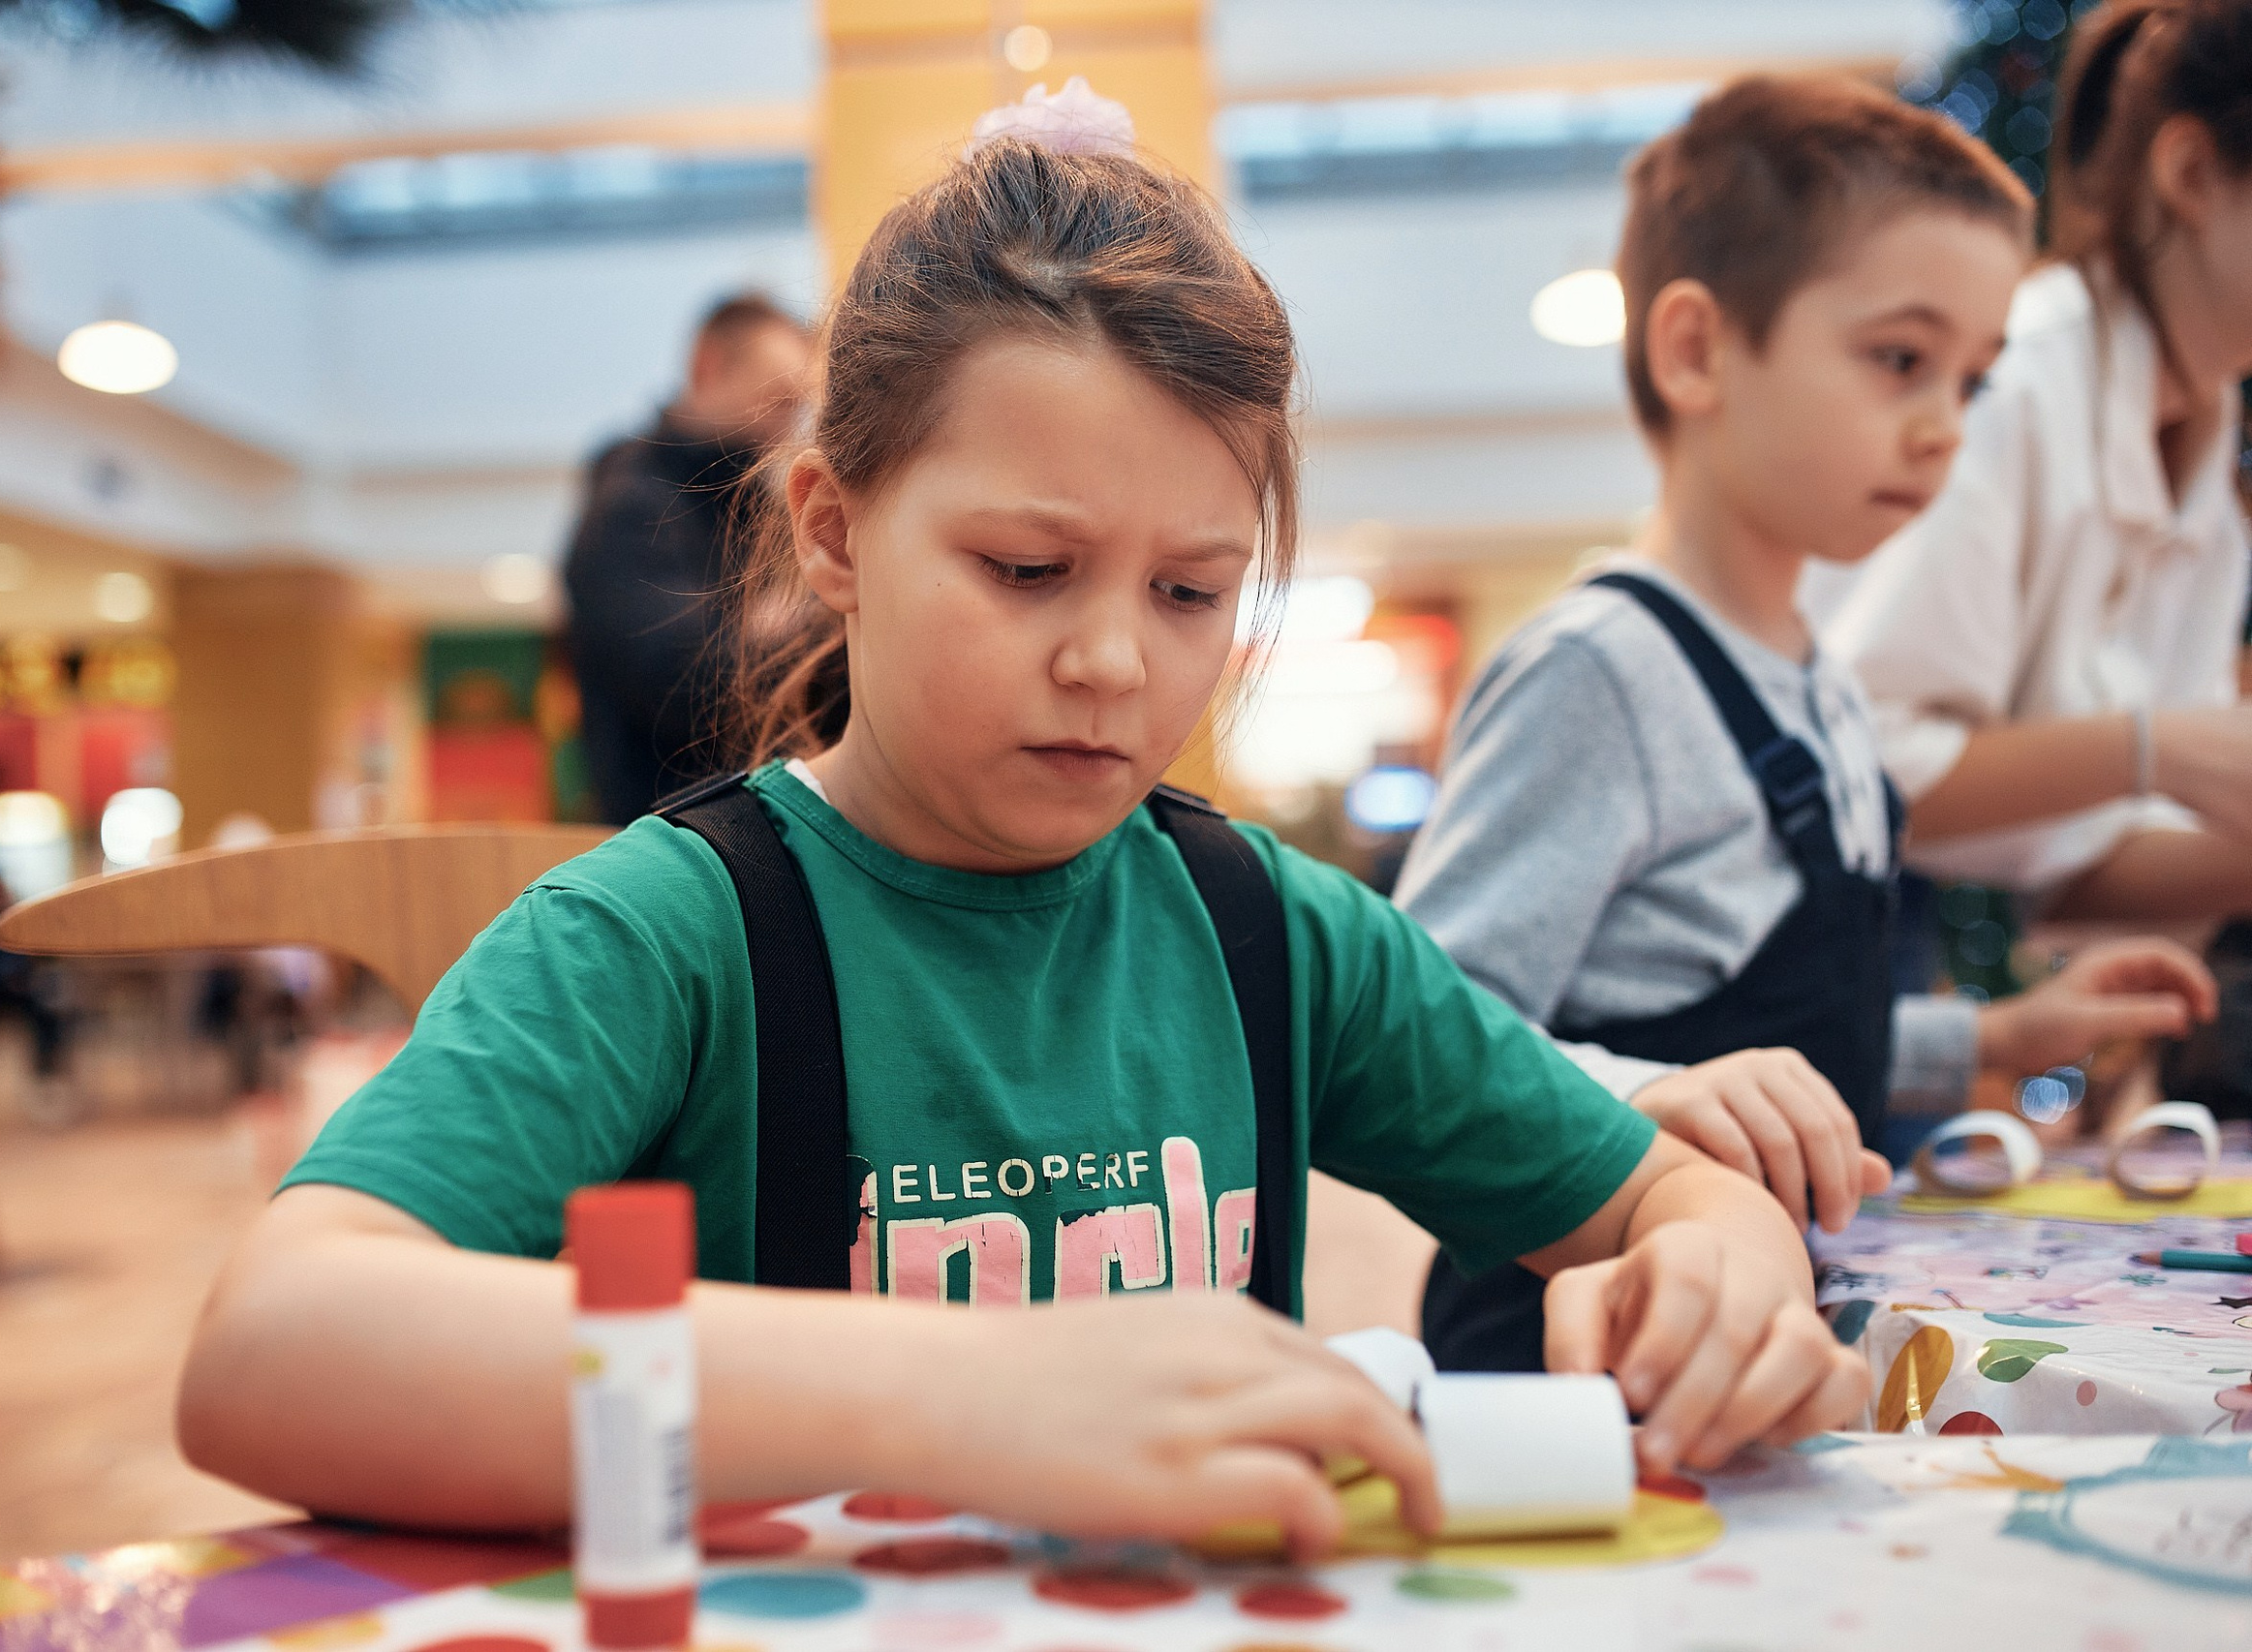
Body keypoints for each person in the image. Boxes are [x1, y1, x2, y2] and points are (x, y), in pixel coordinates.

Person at [175, 92, 1866, 1555]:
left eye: (1195, 590)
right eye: (1028, 571)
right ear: (834, 530)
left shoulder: (1266, 932)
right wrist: (973, 1394)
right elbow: (272, 1351)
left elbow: (1668, 1197)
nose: (1118, 661)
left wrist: (1719, 1269)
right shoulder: (665, 937)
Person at [1394, 76, 2217, 1374]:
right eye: (1900, 358)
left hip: (1773, 1321)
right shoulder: (1598, 671)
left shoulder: (1825, 681)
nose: (1945, 426)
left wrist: (1995, 1038)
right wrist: (1637, 1098)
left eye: (1974, 378)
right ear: (1697, 350)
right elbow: (1416, 1033)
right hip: (1588, 1340)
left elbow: (1786, 1023)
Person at [1818, 0, 2252, 923]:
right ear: (2191, 171)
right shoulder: (2008, 385)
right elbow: (1851, 773)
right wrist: (2154, 748)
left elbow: (2077, 879)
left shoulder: (2203, 449)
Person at [562, 292, 813, 823]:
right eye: (779, 402)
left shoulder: (751, 503)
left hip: (747, 822)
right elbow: (681, 685)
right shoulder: (632, 503)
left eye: (798, 407)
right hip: (661, 836)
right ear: (708, 366)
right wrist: (795, 633)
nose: (789, 426)